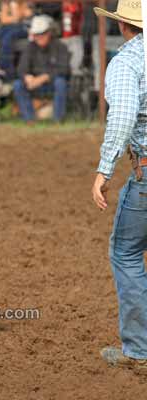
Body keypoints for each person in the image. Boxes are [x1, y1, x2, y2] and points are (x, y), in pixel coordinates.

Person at [91, 0, 147, 369]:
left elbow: (124, 115)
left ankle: (139, 350)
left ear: (123, 26)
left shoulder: (127, 62)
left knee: (126, 253)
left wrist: (104, 169)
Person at [12, 15, 70, 123]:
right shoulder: (30, 47)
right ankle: (29, 119)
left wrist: (44, 77)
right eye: (36, 34)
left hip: (52, 82)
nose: (39, 37)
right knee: (18, 84)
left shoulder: (60, 46)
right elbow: (21, 69)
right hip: (34, 83)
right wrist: (27, 77)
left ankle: (58, 119)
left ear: (49, 33)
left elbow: (64, 69)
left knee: (60, 82)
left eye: (42, 33)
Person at [0, 0, 34, 79]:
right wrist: (13, 16)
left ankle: (7, 70)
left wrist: (13, 6)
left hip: (24, 28)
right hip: (9, 27)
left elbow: (21, 17)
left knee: (7, 38)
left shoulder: (23, 2)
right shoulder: (6, 2)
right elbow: (3, 20)